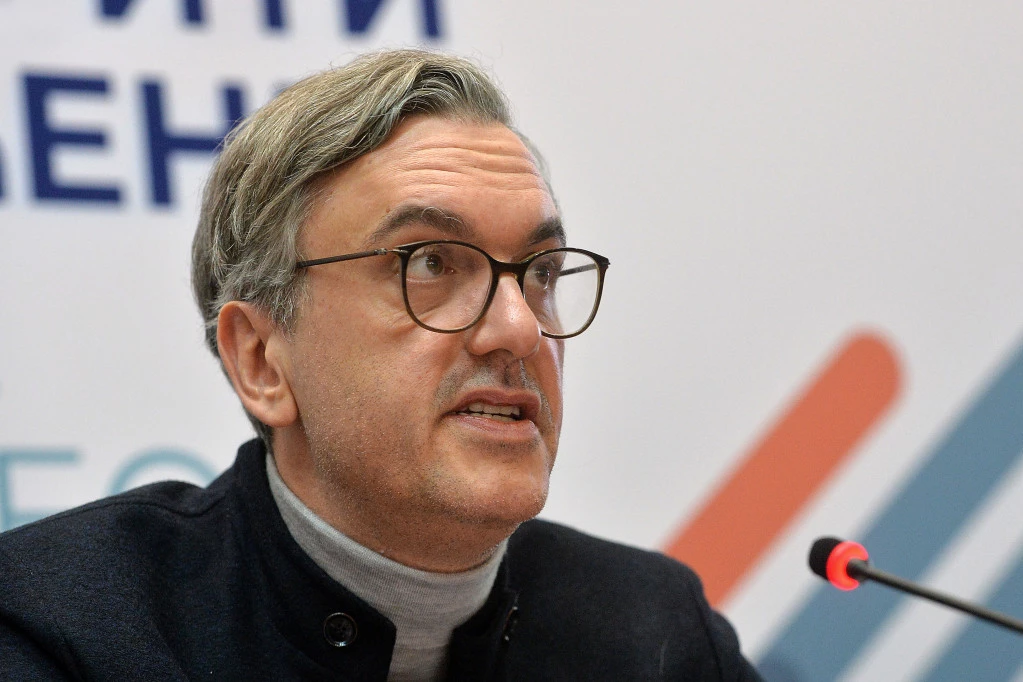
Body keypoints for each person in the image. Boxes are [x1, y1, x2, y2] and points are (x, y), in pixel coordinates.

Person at [0, 50, 762, 681]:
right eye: (429, 263)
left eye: (539, 272)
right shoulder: (59, 630)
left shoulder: (656, 632)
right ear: (261, 360)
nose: (518, 328)